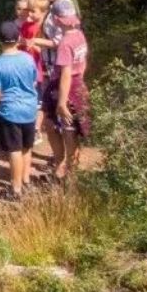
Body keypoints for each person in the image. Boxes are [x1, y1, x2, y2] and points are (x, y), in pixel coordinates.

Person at [0, 20, 41, 199]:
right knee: (27, 147)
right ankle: (25, 181)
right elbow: (33, 81)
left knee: (14, 150)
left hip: (10, 111)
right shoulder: (28, 58)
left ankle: (15, 190)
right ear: (18, 38)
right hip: (30, 108)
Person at [48, 11, 92, 185]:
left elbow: (65, 73)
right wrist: (81, 77)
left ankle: (69, 175)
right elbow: (84, 61)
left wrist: (61, 102)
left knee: (69, 129)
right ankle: (70, 170)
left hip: (68, 89)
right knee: (73, 128)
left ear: (57, 20)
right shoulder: (79, 35)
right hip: (78, 84)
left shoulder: (65, 43)